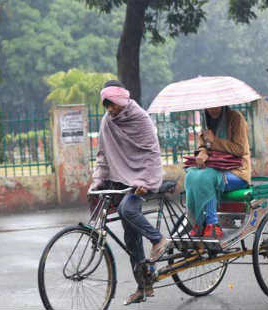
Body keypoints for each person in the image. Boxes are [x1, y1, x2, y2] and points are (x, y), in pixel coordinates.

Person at [89, 80, 168, 305]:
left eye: (113, 104)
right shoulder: (107, 122)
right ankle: (144, 287)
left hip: (144, 177)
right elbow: (103, 155)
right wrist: (97, 182)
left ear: (122, 100)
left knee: (127, 209)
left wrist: (144, 180)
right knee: (131, 238)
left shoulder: (140, 118)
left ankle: (158, 239)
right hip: (121, 179)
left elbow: (152, 152)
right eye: (107, 105)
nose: (110, 109)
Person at [185, 106, 251, 238]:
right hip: (214, 167)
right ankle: (196, 222)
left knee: (208, 178)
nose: (213, 109)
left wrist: (214, 141)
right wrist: (202, 153)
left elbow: (240, 149)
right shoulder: (205, 121)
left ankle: (212, 225)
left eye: (216, 106)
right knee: (191, 175)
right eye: (209, 107)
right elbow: (203, 146)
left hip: (237, 171)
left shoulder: (235, 118)